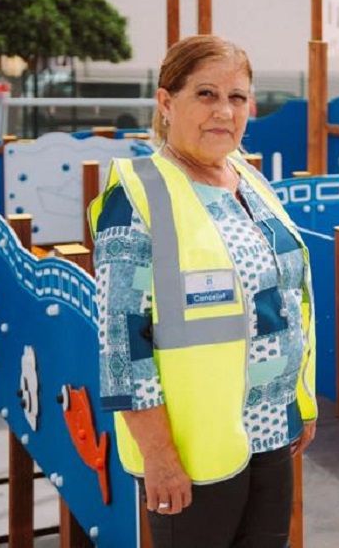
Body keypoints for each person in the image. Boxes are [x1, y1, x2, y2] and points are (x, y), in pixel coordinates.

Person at [89, 35, 317, 548]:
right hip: (192, 453)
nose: (224, 111)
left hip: (271, 431)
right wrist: (160, 457)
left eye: (237, 98)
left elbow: (285, 303)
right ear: (167, 103)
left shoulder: (250, 183)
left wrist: (299, 403)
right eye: (206, 94)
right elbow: (122, 347)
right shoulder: (138, 198)